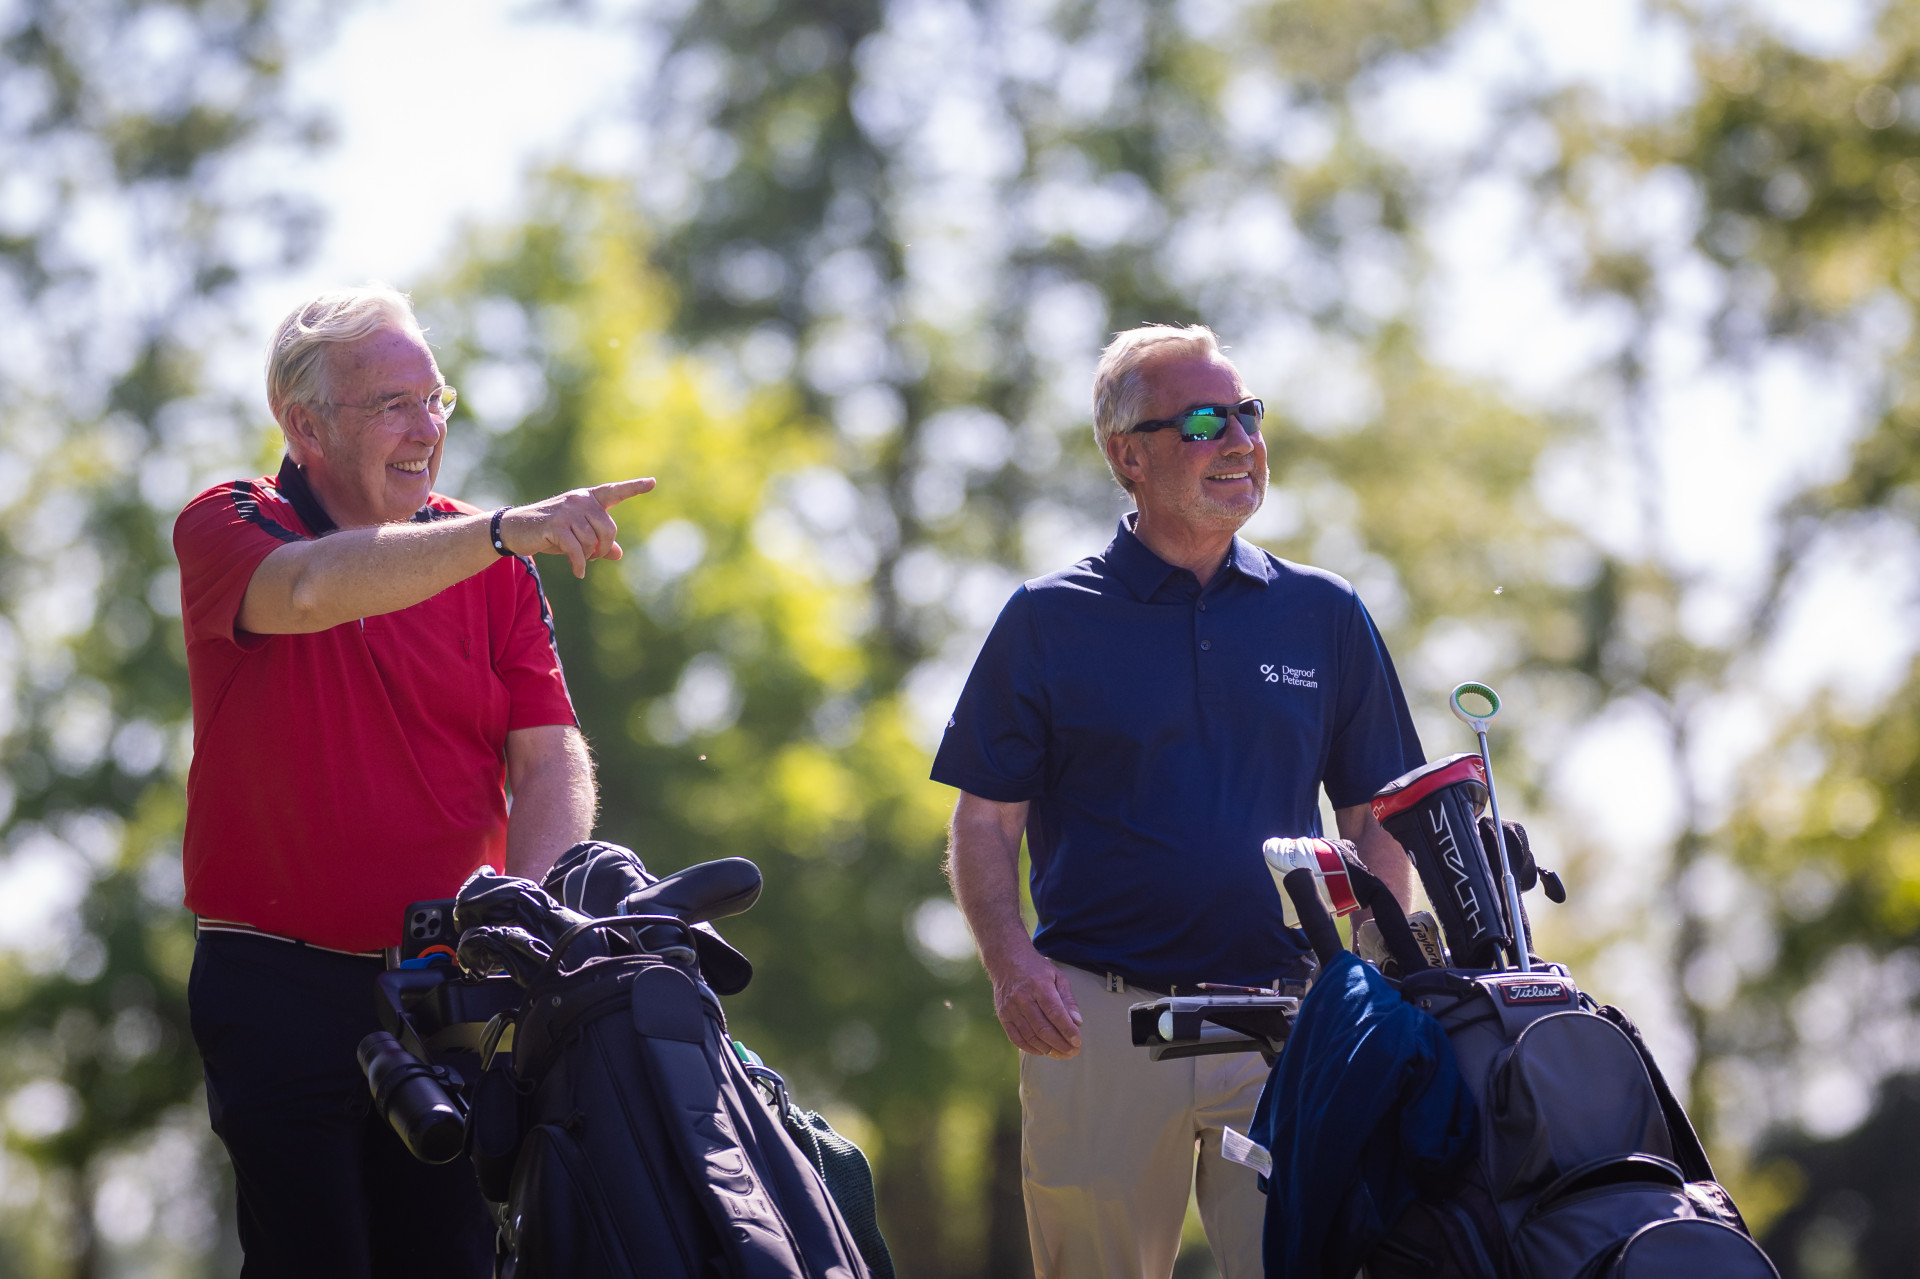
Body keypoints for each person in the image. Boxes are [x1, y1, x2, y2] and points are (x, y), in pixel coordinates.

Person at [173, 284, 651, 1277]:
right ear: (304, 425)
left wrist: (529, 913)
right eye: (393, 404)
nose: (427, 428)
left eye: (436, 399)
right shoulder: (229, 520)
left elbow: (550, 756)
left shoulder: (495, 560)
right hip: (274, 983)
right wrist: (500, 532)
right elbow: (311, 586)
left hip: (444, 983)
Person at [932, 324, 1425, 1279]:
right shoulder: (1047, 619)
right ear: (1130, 456)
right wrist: (1011, 964)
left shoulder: (1325, 613)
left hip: (1289, 1028)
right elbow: (985, 822)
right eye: (1204, 422)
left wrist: (1373, 972)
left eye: (1248, 414)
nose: (1240, 440)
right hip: (1096, 1025)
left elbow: (1374, 818)